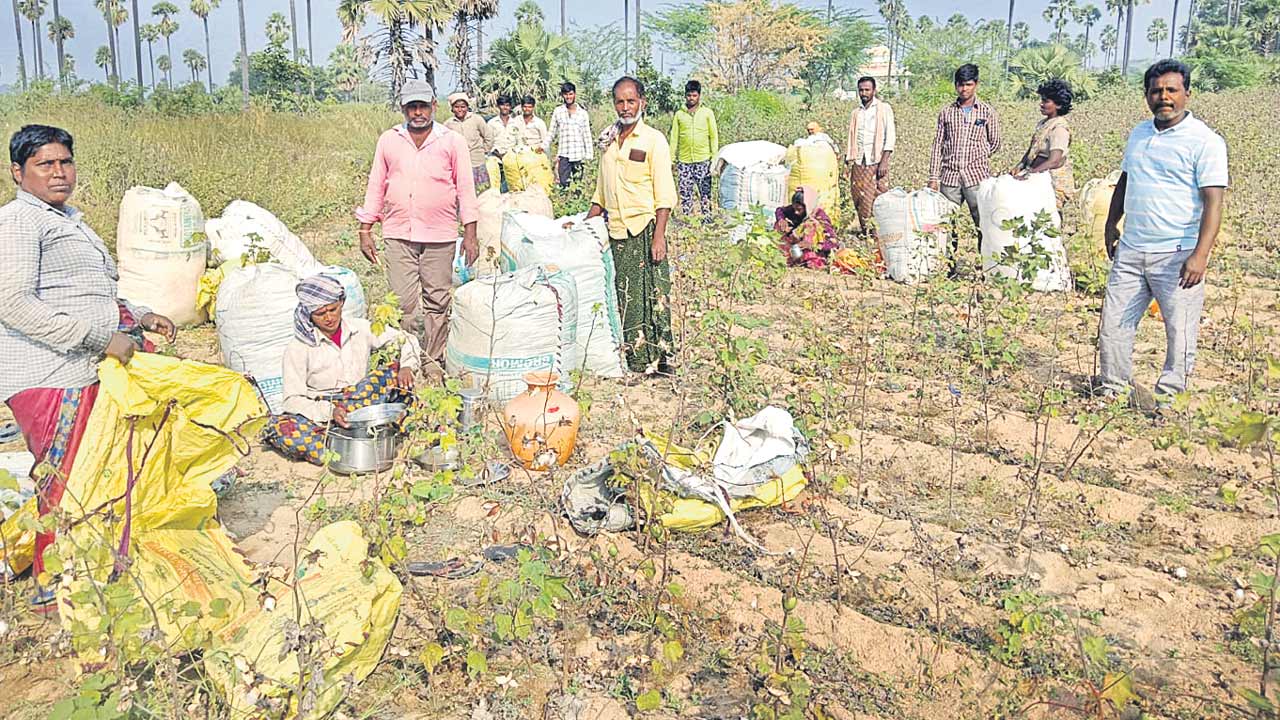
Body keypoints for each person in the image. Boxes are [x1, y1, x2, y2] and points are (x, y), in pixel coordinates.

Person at [0, 124, 176, 608]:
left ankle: (93, 572)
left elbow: (83, 292)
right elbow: (13, 304)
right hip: (49, 373)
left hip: (84, 366)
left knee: (96, 472)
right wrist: (102, 337)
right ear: (18, 172)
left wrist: (137, 316)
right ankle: (55, 584)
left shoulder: (67, 218)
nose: (59, 172)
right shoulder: (19, 222)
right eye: (45, 164)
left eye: (65, 162)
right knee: (66, 478)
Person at [1098, 60, 1227, 409]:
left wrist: (1200, 255)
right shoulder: (1139, 133)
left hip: (1177, 254)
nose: (1164, 97)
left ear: (1187, 93)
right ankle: (1113, 390)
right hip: (1131, 249)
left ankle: (1169, 400)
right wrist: (1112, 223)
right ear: (1146, 95)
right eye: (1156, 91)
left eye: (1171, 90)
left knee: (1179, 331)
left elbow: (1213, 203)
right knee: (1113, 325)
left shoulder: (1205, 141)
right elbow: (1126, 180)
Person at [356, 79, 478, 375]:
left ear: (434, 107)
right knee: (402, 303)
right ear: (403, 109)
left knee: (437, 300)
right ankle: (407, 360)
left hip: (440, 235)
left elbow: (465, 188)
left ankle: (433, 361)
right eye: (412, 107)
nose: (418, 113)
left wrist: (471, 233)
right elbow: (376, 185)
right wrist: (365, 229)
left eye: (423, 106)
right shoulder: (389, 140)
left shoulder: (451, 141)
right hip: (399, 233)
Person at [265, 274, 421, 465]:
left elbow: (407, 340)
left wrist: (406, 366)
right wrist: (330, 412)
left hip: (360, 399)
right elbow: (292, 400)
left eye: (333, 309)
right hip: (323, 409)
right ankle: (345, 439)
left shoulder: (360, 328)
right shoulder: (298, 348)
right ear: (308, 314)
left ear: (342, 303)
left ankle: (360, 433)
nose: (329, 318)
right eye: (320, 314)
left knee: (395, 373)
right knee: (285, 429)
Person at [585, 77, 678, 378]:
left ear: (642, 102)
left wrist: (659, 236)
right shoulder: (609, 141)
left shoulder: (653, 140)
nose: (625, 108)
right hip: (617, 233)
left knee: (654, 296)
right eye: (620, 102)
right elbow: (601, 192)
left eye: (631, 101)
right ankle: (638, 362)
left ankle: (663, 361)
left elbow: (664, 193)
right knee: (626, 298)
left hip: (647, 230)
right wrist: (582, 227)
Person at [928, 64, 1001, 270]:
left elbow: (995, 142)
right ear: (955, 86)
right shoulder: (947, 112)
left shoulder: (986, 112)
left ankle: (985, 266)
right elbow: (938, 146)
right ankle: (949, 266)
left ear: (976, 84)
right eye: (960, 85)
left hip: (976, 178)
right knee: (947, 223)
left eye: (968, 85)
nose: (964, 89)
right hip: (949, 177)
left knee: (982, 223)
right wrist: (934, 176)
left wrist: (978, 156)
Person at [845, 76, 896, 238]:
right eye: (861, 90)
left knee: (876, 194)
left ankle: (878, 232)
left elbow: (890, 135)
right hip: (860, 159)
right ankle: (865, 230)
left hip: (877, 159)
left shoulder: (883, 108)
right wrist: (848, 160)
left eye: (867, 90)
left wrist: (885, 160)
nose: (864, 93)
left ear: (874, 91)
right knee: (858, 193)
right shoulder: (856, 113)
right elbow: (852, 137)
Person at [1013, 79, 1076, 209]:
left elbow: (1054, 161)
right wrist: (1020, 165)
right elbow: (1032, 149)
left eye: (1046, 101)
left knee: (1047, 218)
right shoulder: (1043, 124)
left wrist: (1030, 174)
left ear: (1058, 105)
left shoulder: (1059, 128)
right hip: (1038, 177)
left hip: (1051, 183)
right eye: (1042, 100)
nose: (1041, 104)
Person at [668, 80, 719, 214]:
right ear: (685, 96)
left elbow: (713, 136)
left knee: (705, 192)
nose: (691, 98)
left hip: (703, 160)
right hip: (684, 161)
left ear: (699, 96)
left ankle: (707, 219)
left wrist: (714, 158)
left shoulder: (707, 113)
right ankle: (687, 219)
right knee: (685, 192)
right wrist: (671, 160)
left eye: (694, 95)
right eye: (689, 95)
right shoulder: (679, 114)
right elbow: (674, 138)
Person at [774, 186, 838, 269]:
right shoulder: (794, 210)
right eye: (794, 209)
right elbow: (780, 210)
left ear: (808, 207)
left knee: (810, 225)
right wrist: (781, 220)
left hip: (814, 250)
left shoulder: (821, 218)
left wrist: (812, 245)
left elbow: (833, 243)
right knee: (779, 225)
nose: (796, 212)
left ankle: (810, 259)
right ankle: (786, 256)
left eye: (799, 210)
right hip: (796, 247)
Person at [545, 82, 593, 188]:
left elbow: (587, 136)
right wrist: (544, 146)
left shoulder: (583, 113)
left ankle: (577, 203)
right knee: (563, 184)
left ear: (574, 94)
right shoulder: (558, 111)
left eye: (570, 94)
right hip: (564, 155)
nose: (568, 97)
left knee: (578, 186)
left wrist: (589, 157)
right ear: (562, 95)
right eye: (566, 94)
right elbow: (551, 132)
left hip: (578, 155)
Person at [444, 92, 496, 188]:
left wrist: (483, 150)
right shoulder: (448, 124)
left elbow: (488, 136)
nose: (460, 109)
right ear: (452, 108)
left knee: (482, 191)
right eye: (456, 107)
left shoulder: (476, 119)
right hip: (458, 165)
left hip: (477, 162)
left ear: (467, 107)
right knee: (463, 190)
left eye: (463, 107)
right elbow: (445, 145)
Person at [488, 95, 519, 190]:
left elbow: (519, 141)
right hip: (495, 157)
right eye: (502, 105)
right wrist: (497, 153)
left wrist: (511, 154)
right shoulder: (492, 123)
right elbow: (488, 141)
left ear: (510, 107)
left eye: (507, 105)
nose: (505, 107)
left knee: (512, 185)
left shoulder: (516, 123)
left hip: (512, 158)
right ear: (498, 106)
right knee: (495, 184)